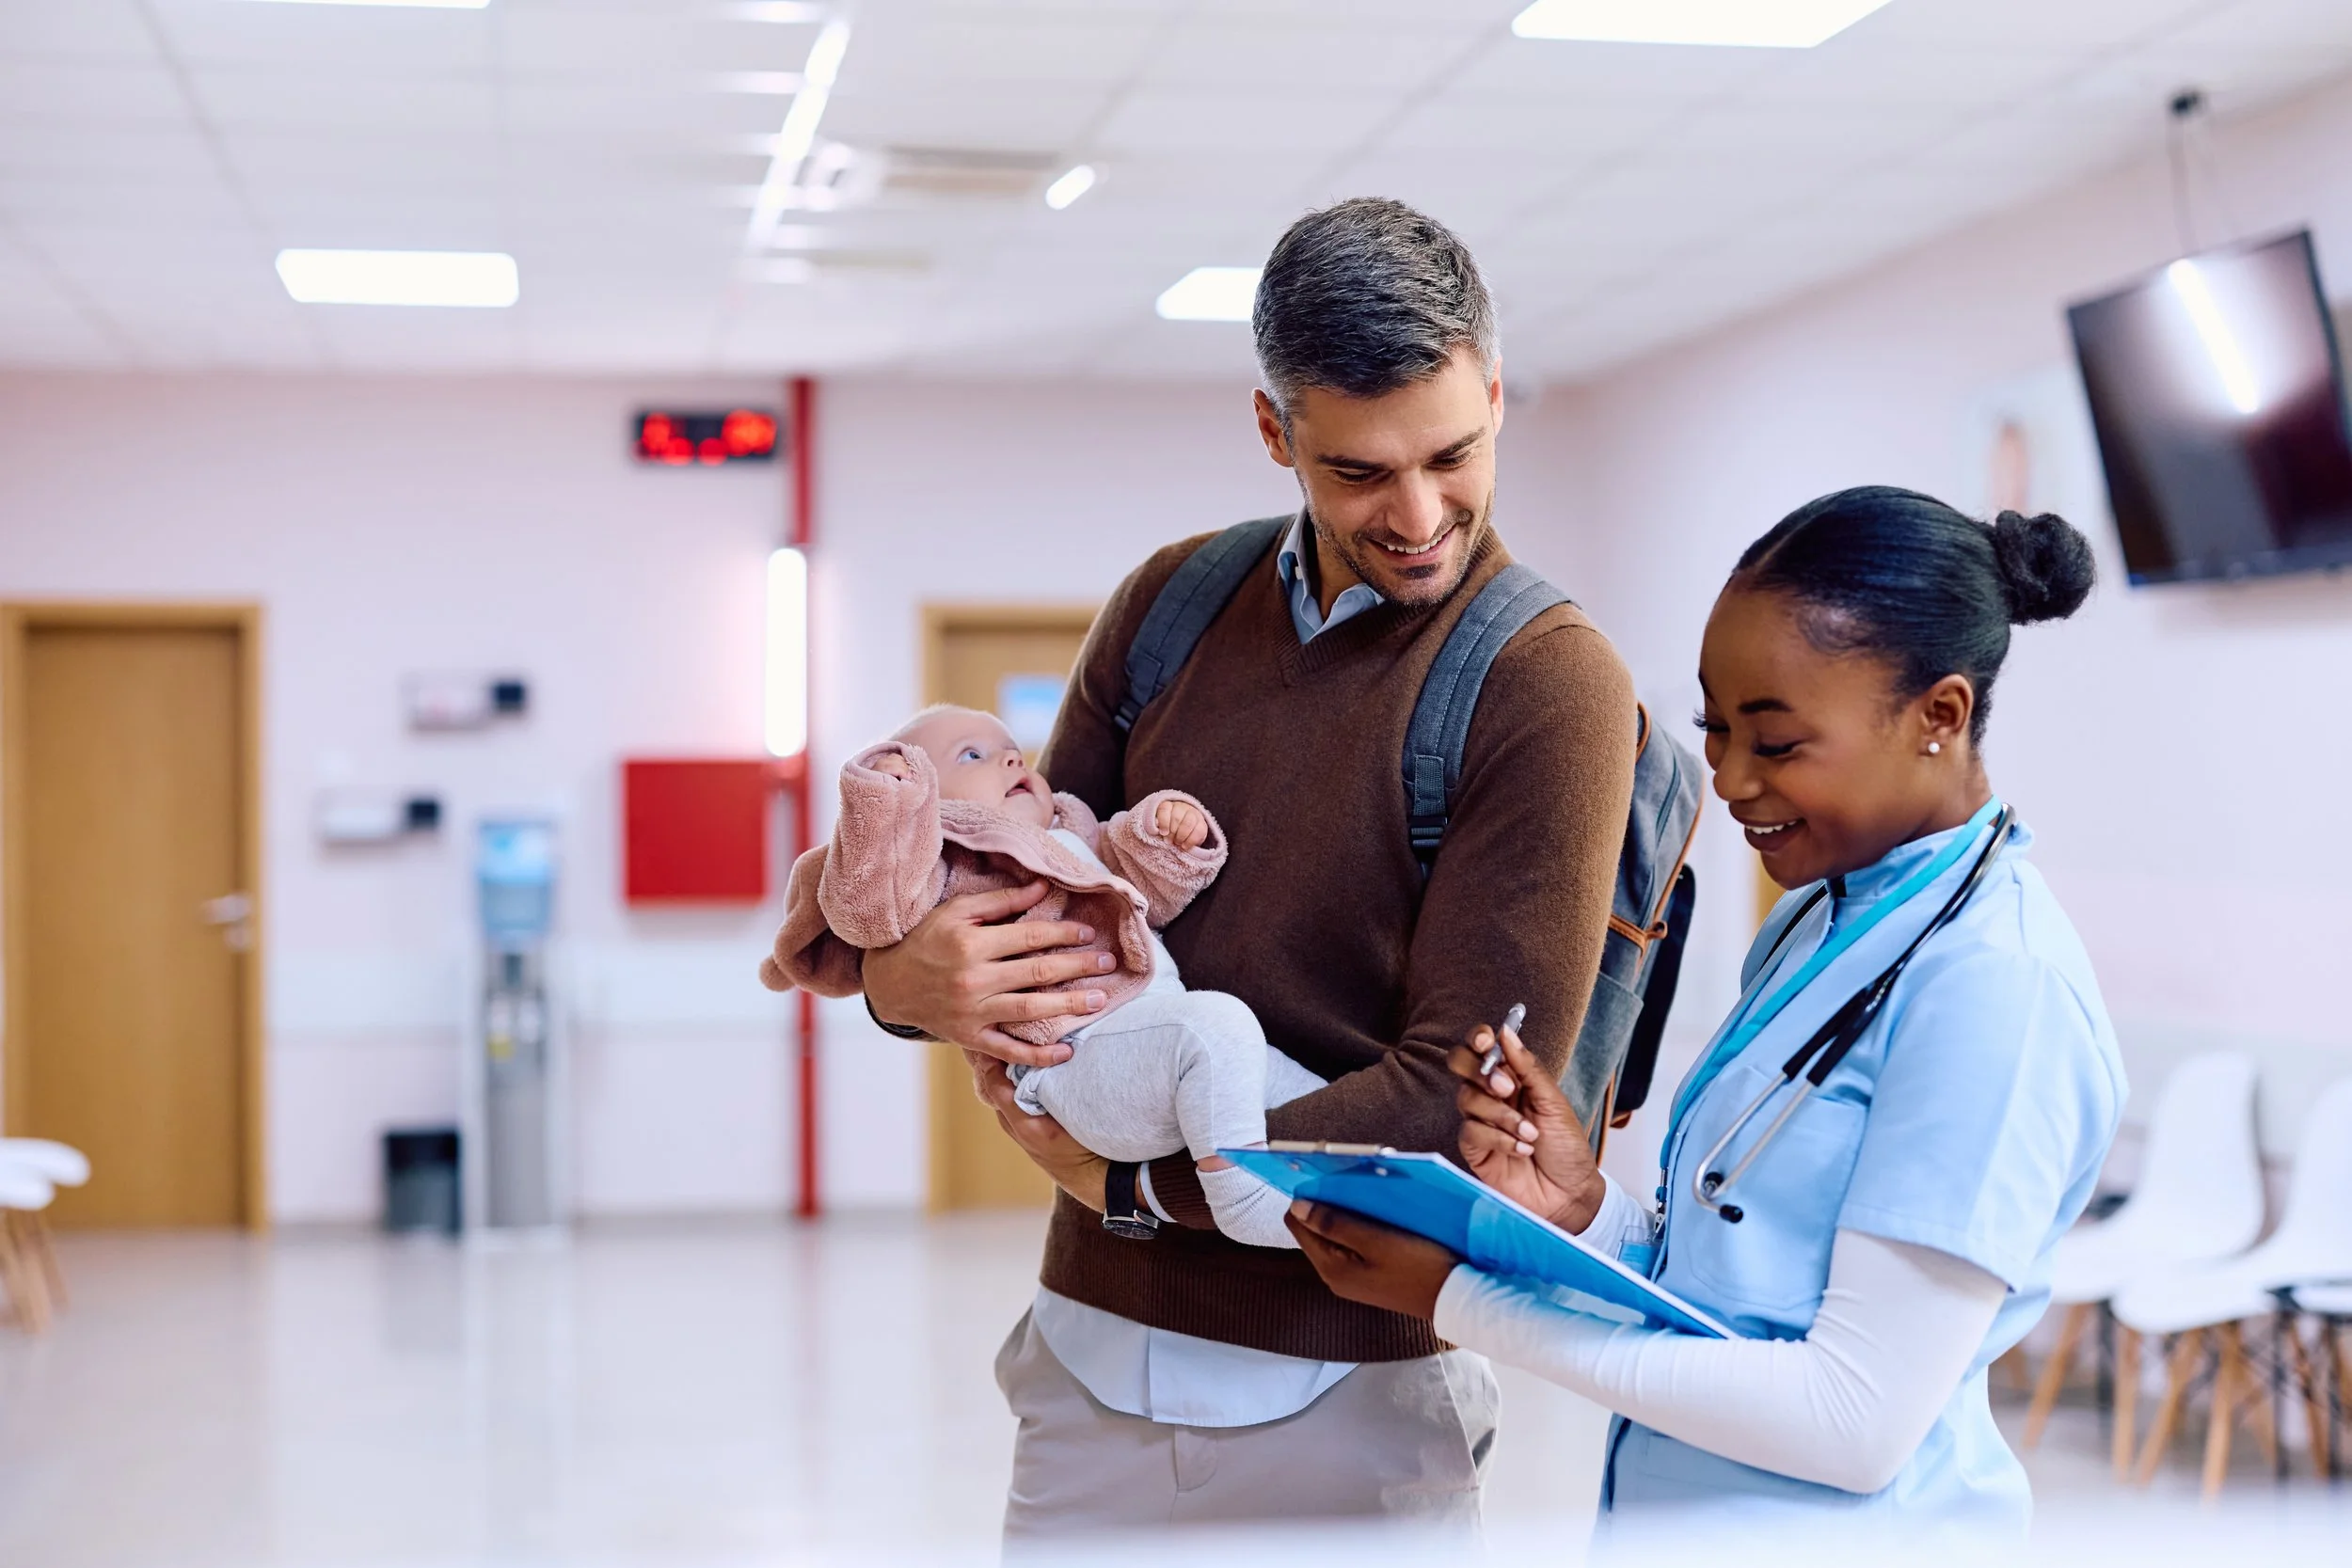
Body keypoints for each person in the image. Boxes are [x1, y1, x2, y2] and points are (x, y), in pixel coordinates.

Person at [856, 198, 1639, 1535]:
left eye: (1455, 454)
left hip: (1353, 1401)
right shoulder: (1171, 603)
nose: (1418, 514)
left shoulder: (1546, 685)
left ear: (1498, 394)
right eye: (1358, 472)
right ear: (1275, 432)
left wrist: (1129, 1188)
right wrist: (905, 975)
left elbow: (1456, 1110)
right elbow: (1033, 893)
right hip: (1085, 1360)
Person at [1288, 486, 2125, 1535]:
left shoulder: (1995, 988)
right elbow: (1733, 1293)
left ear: (1939, 716)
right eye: (1714, 729)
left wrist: (1460, 1301)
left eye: (1773, 743)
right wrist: (1584, 1211)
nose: (1725, 777)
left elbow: (1851, 1418)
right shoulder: (1818, 919)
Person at [764, 705, 1322, 1245]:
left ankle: (1351, 1200)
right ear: (923, 802)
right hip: (1077, 1063)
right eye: (973, 754)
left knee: (1299, 1087)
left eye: (1013, 751)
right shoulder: (947, 860)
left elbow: (1149, 890)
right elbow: (870, 909)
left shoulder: (1073, 835)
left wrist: (1166, 834)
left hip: (1152, 1048)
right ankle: (1247, 1205)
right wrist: (884, 804)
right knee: (1217, 1026)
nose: (1010, 760)